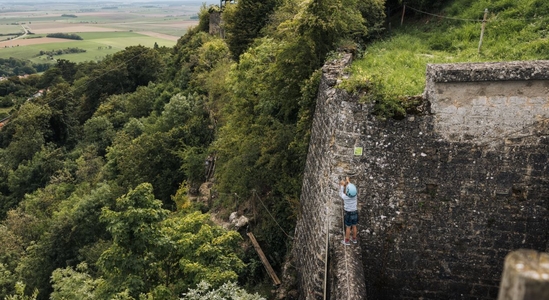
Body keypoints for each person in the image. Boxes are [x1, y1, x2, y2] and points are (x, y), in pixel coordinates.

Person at [339, 177, 358, 246]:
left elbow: (341, 193)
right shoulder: (355, 195)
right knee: (354, 226)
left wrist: (342, 186)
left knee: (348, 227)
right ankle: (354, 239)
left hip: (348, 213)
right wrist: (348, 181)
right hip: (355, 212)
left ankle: (347, 240)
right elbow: (351, 189)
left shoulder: (345, 197)